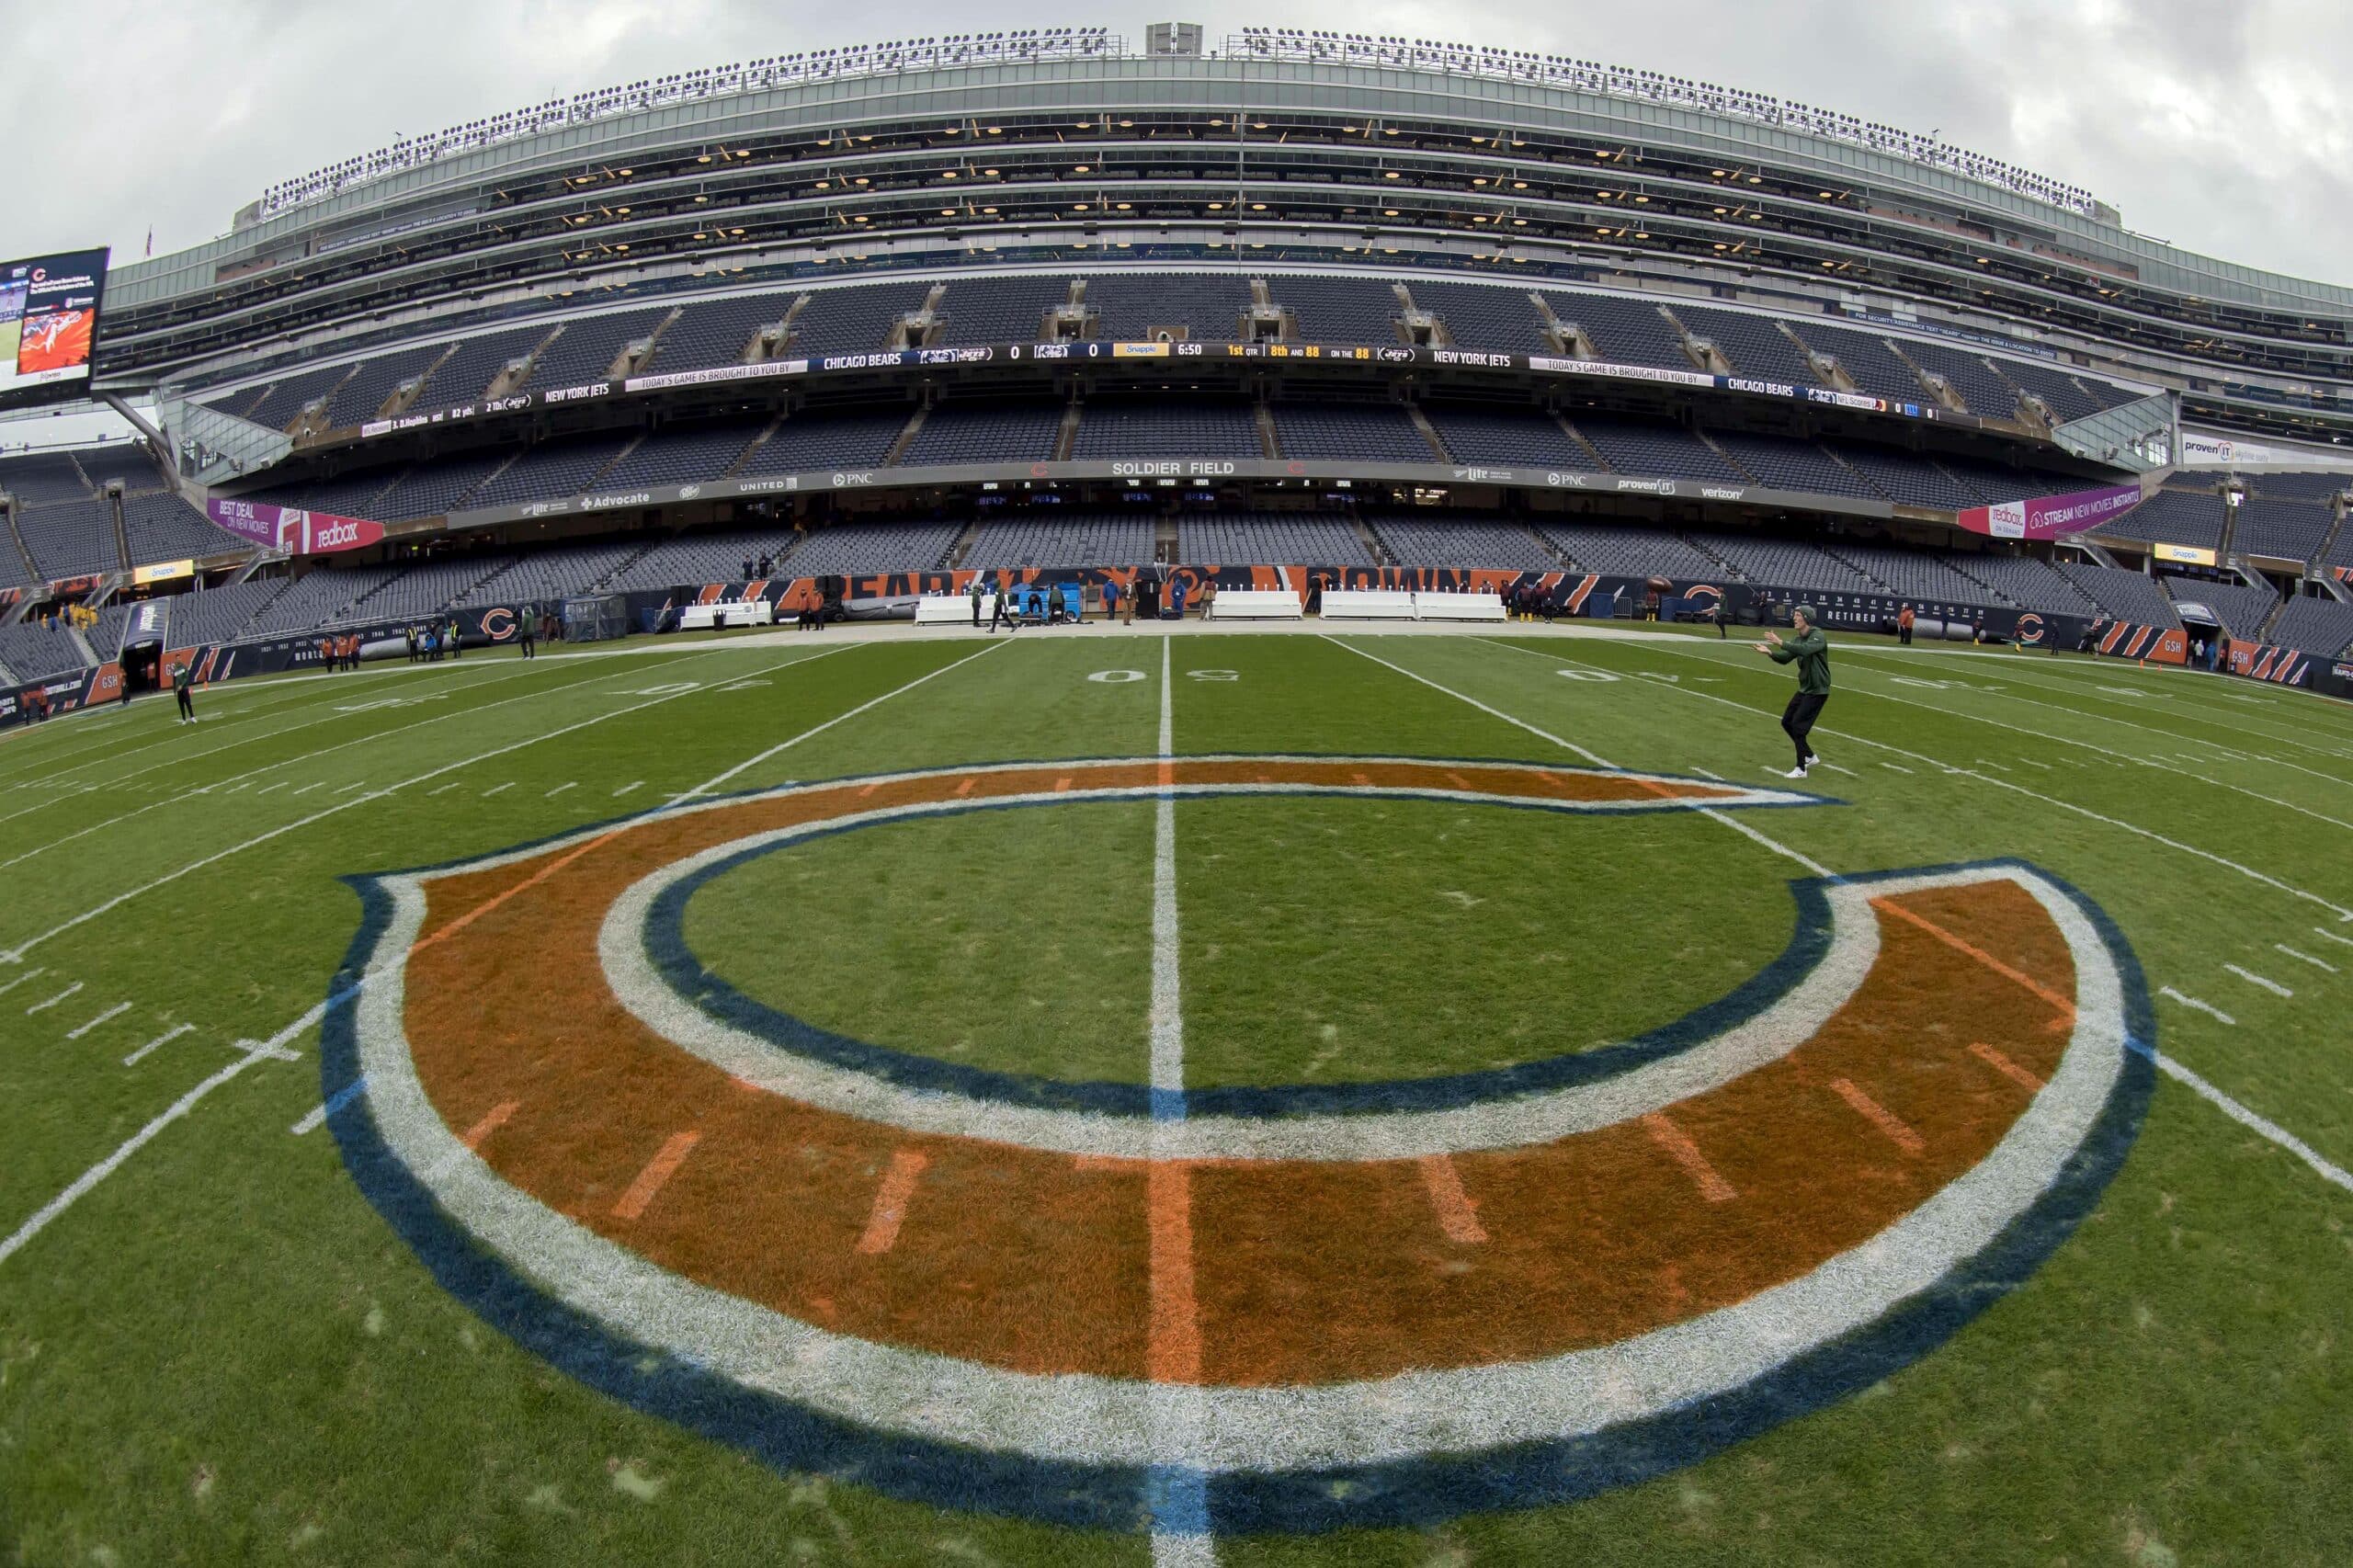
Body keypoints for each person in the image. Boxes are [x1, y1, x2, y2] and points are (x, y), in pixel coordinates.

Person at [1755, 604, 1831, 779]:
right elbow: (1786, 658)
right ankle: (1810, 756)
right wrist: (1769, 653)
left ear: (1807, 618)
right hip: (1805, 689)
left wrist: (1780, 642)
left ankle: (1801, 768)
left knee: (1798, 726)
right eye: (1795, 615)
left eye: (1798, 615)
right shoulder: (1798, 639)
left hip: (1818, 690)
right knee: (1787, 722)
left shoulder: (1818, 636)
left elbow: (1805, 650)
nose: (1794, 618)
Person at [173, 660, 197, 724]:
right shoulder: (175, 670)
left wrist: (182, 685)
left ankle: (192, 717)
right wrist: (174, 691)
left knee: (188, 703)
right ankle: (184, 719)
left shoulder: (184, 667)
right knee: (181, 705)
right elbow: (174, 681)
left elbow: (186, 677)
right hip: (179, 690)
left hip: (185, 688)